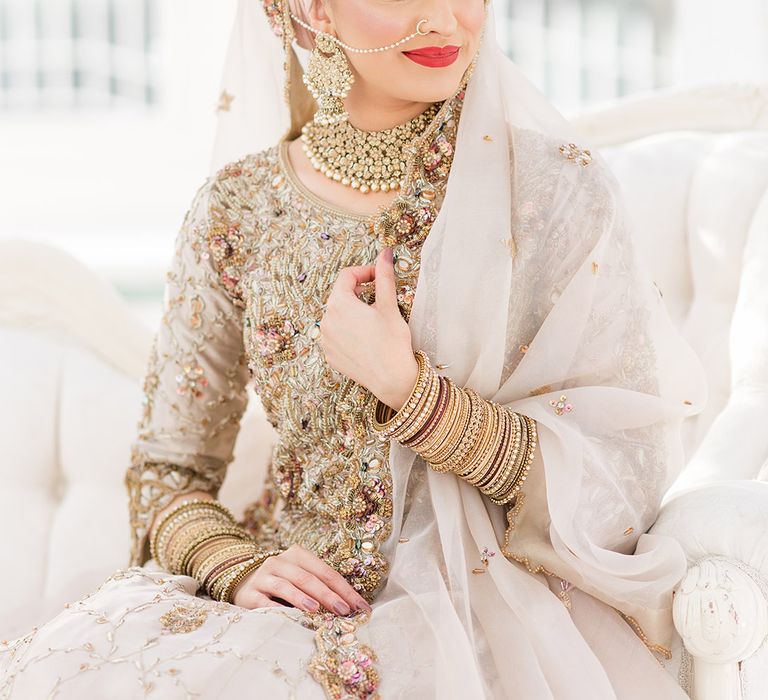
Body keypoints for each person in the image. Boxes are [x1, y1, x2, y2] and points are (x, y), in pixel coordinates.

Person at [0, 0, 708, 697]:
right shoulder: (238, 209)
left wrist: (411, 394)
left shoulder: (553, 194)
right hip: (280, 601)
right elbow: (166, 475)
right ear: (314, 11)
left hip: (484, 619)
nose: (443, 19)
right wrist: (231, 564)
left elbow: (623, 479)